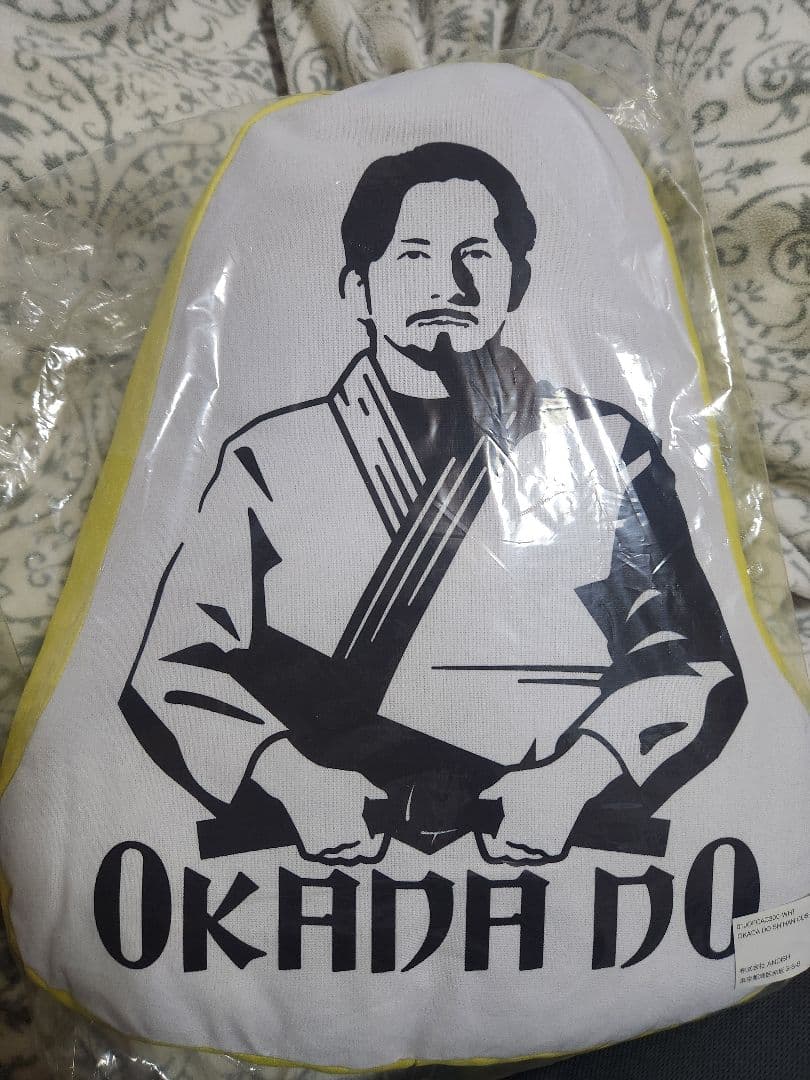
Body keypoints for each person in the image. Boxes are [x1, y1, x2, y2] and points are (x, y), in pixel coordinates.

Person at [120, 142, 746, 867]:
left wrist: (578, 778)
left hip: (558, 827)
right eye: (413, 256)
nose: (449, 284)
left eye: (476, 255)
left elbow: (692, 661)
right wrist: (288, 779)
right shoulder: (271, 456)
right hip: (319, 851)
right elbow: (175, 667)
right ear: (357, 288)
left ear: (517, 282)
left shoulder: (603, 443)